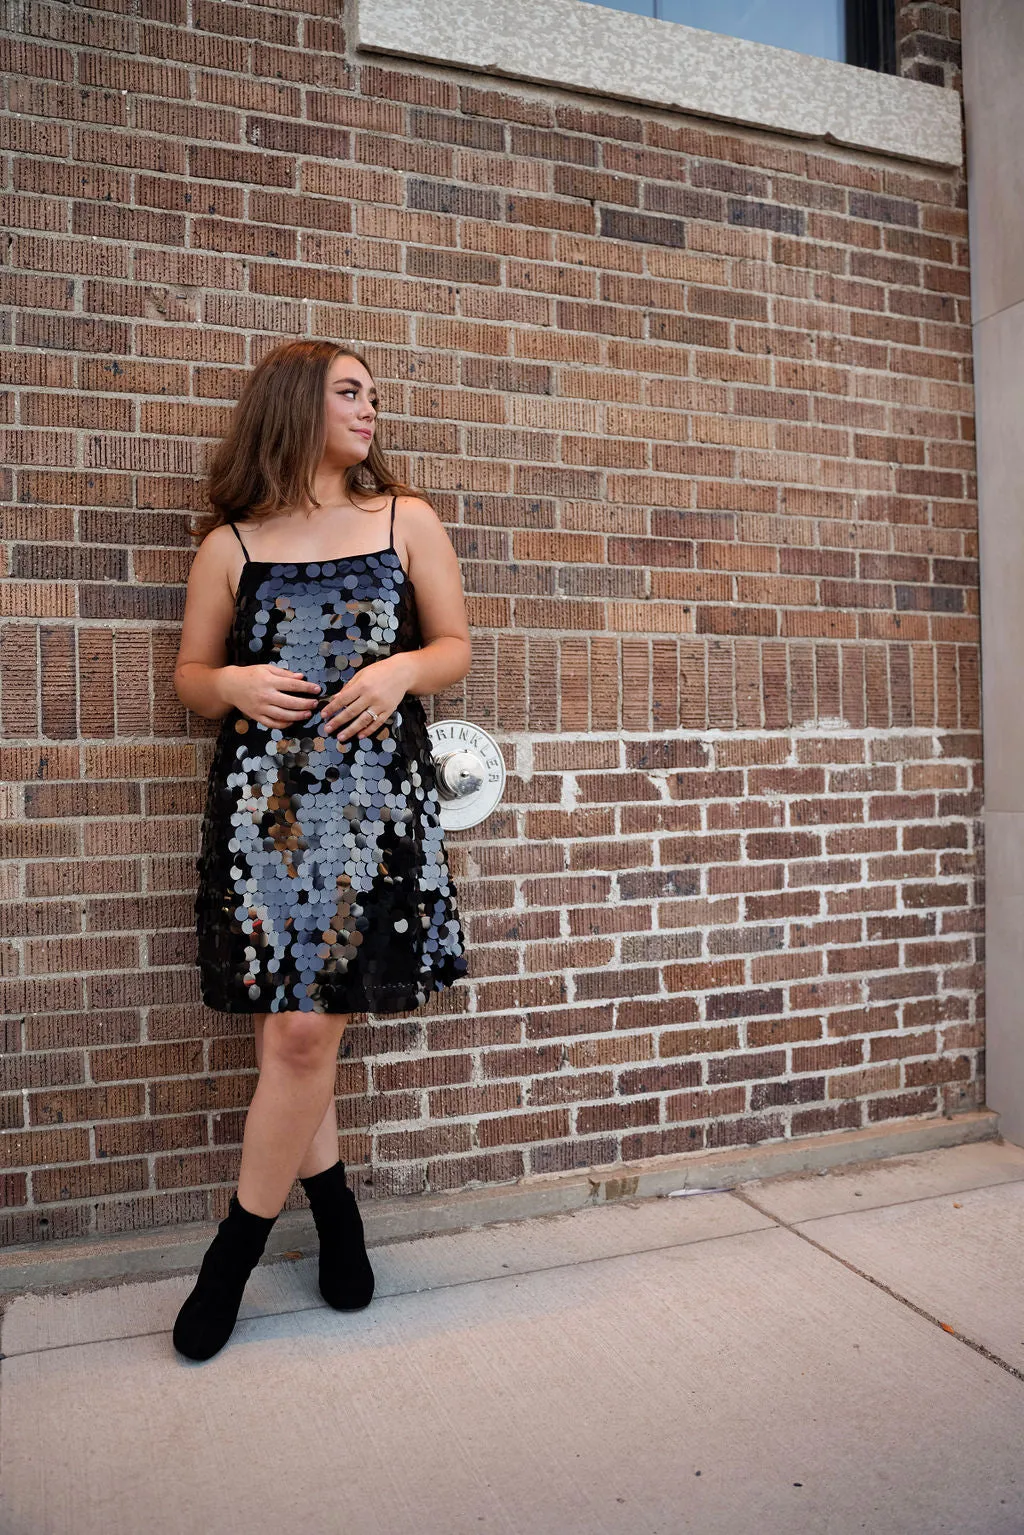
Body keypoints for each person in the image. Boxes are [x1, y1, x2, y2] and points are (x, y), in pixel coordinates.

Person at [170, 339, 471, 1361]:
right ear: (296, 405)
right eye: (350, 392)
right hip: (264, 813)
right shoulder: (232, 542)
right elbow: (191, 674)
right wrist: (234, 687)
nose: (370, 408)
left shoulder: (403, 520)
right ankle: (336, 1218)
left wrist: (399, 673)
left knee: (300, 1036)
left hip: (371, 807)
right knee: (291, 1037)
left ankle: (232, 1256)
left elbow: (456, 646)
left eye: (375, 395)